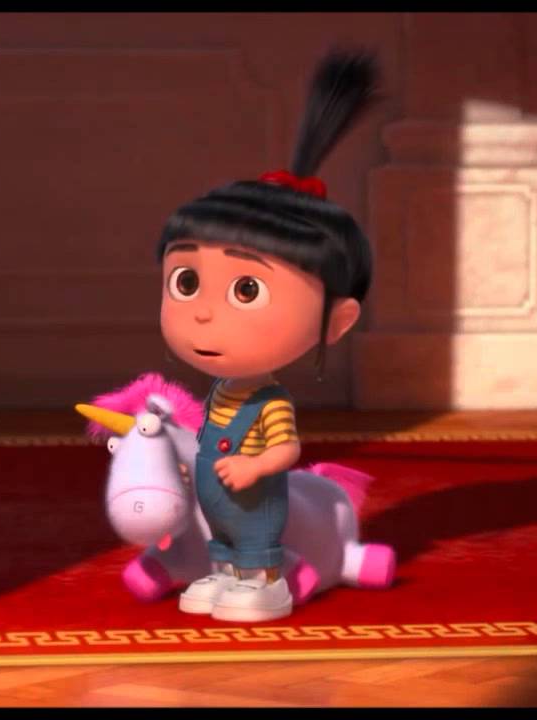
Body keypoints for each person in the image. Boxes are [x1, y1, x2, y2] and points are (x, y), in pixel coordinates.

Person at [156, 50, 379, 622]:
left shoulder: (269, 402)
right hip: (220, 506)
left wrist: (254, 467)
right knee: (224, 541)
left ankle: (267, 583)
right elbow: (207, 438)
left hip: (257, 503)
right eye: (186, 282)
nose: (203, 314)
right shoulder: (220, 392)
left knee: (254, 539)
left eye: (246, 290)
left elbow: (286, 450)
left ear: (336, 322)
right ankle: (224, 573)